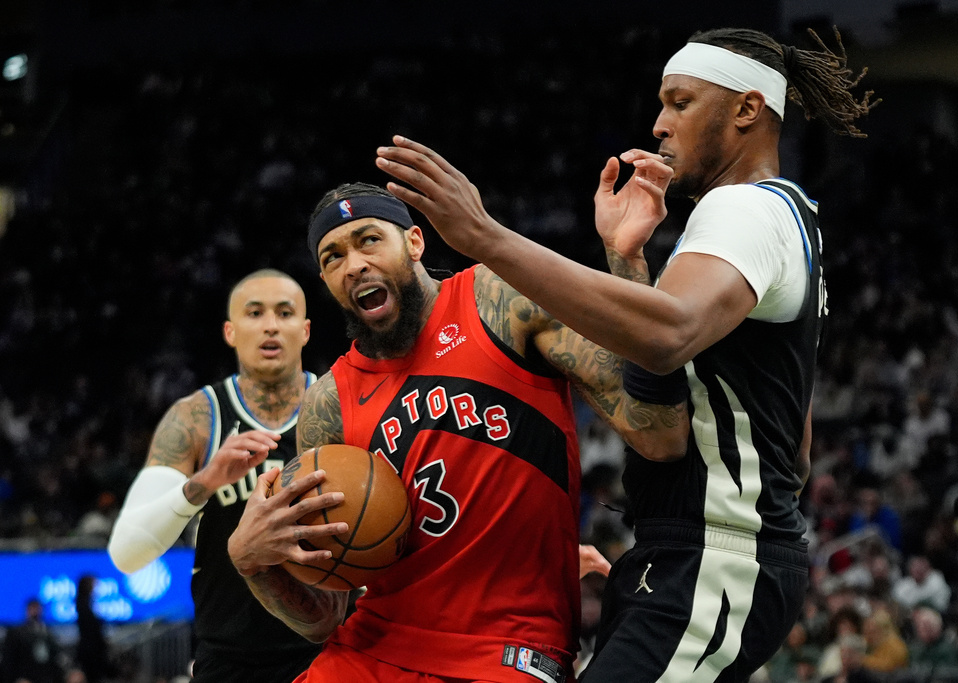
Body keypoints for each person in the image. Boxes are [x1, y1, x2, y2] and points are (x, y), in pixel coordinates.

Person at [374, 24, 876, 682]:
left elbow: (667, 335)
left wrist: (486, 238)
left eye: (680, 101)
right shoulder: (782, 220)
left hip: (714, 560)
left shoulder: (747, 211)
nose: (659, 123)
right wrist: (627, 257)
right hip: (694, 556)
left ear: (748, 109)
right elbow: (783, 447)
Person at [226, 182, 690, 682]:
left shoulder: (497, 299)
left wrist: (626, 266)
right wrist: (253, 562)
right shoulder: (329, 402)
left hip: (507, 650)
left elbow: (660, 433)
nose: (354, 263)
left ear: (415, 243)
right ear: (325, 280)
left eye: (369, 240)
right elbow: (324, 616)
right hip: (371, 648)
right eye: (333, 256)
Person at [106, 269, 323, 683]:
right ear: (230, 331)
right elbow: (126, 552)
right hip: (229, 657)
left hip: (330, 648)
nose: (271, 325)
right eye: (254, 313)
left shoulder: (341, 405)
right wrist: (205, 481)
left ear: (306, 330)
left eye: (285, 312)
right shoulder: (196, 419)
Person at [0, 598, 66, 683]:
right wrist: (16, 679)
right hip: (24, 677)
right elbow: (9, 661)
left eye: (37, 609)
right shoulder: (16, 633)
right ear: (27, 611)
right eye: (33, 609)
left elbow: (57, 657)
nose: (35, 612)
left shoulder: (48, 633)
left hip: (47, 676)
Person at [75, 574, 112, 683]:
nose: (94, 587)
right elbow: (90, 627)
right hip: (90, 652)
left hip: (93, 650)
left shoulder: (87, 603)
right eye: (92, 584)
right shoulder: (82, 604)